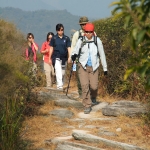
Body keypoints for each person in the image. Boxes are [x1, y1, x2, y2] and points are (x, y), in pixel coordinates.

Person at [71, 23, 108, 114]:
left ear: (93, 32)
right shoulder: (81, 40)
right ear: (84, 32)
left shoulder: (97, 40)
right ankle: (87, 105)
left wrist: (105, 68)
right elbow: (75, 51)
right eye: (86, 32)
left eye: (90, 32)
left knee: (94, 87)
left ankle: (93, 97)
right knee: (85, 86)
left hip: (94, 67)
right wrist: (73, 56)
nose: (88, 34)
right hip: (83, 66)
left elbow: (102, 54)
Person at [49, 24, 71, 89]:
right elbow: (51, 48)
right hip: (56, 56)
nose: (61, 31)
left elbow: (69, 48)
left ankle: (61, 82)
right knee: (58, 70)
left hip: (64, 57)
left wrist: (70, 56)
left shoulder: (66, 38)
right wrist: (50, 57)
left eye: (62, 30)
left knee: (63, 73)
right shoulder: (54, 38)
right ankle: (59, 85)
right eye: (59, 30)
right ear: (57, 31)